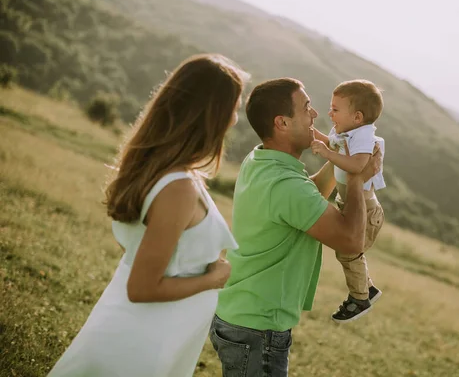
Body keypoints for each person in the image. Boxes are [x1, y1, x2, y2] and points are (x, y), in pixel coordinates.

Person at [49, 54, 248, 377]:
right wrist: (213, 279)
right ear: (213, 112)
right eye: (235, 108)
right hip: (138, 347)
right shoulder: (178, 188)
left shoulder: (169, 173)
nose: (236, 119)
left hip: (152, 337)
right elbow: (141, 287)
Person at [209, 77, 382, 376]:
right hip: (257, 327)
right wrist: (356, 176)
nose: (316, 114)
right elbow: (351, 241)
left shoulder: (261, 159)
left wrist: (345, 160)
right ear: (282, 123)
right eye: (306, 108)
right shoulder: (285, 185)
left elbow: (306, 197)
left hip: (242, 317)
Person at [311, 79, 386, 323]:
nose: (329, 113)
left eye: (335, 109)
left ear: (357, 117)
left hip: (367, 208)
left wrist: (328, 154)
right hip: (349, 202)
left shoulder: (363, 136)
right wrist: (314, 135)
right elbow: (330, 143)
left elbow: (357, 166)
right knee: (347, 252)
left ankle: (360, 298)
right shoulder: (345, 132)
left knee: (348, 253)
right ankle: (368, 289)